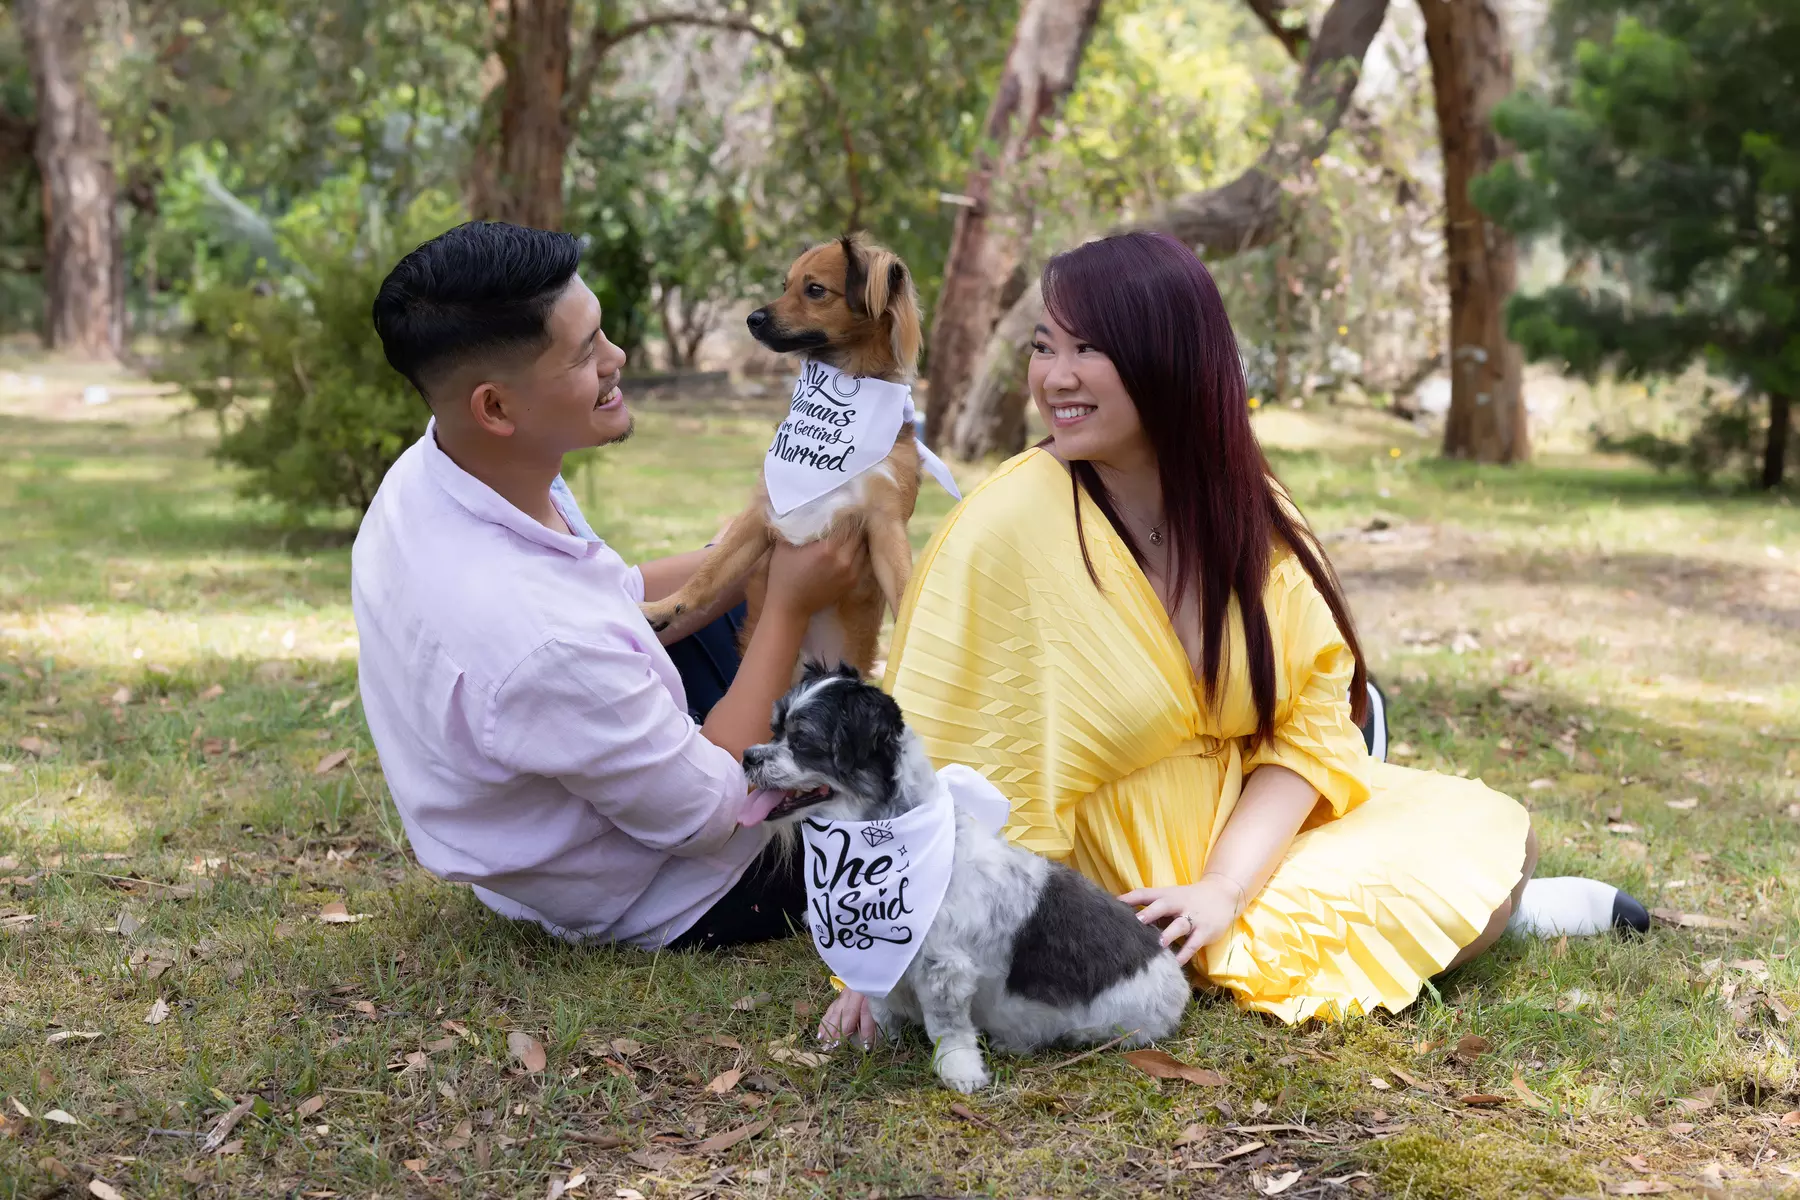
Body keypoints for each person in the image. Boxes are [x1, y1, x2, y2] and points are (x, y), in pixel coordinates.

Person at [818, 232, 1642, 1043]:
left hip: (1236, 848)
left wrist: (1222, 886)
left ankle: (1498, 909)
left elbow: (1307, 727)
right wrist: (874, 955)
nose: (1053, 377)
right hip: (1097, 894)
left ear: (1169, 360)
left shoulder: (1248, 514)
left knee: (1496, 830)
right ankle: (1500, 917)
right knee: (1458, 889)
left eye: (1088, 349)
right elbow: (928, 750)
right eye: (1044, 346)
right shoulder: (1007, 525)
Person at [352, 221, 849, 951]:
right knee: (927, 792)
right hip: (681, 889)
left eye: (602, 333)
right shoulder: (536, 638)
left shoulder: (441, 473)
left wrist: (750, 547)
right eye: (587, 353)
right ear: (496, 407)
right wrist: (788, 603)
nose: (617, 358)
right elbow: (711, 817)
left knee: (785, 563)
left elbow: (612, 598)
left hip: (556, 790)